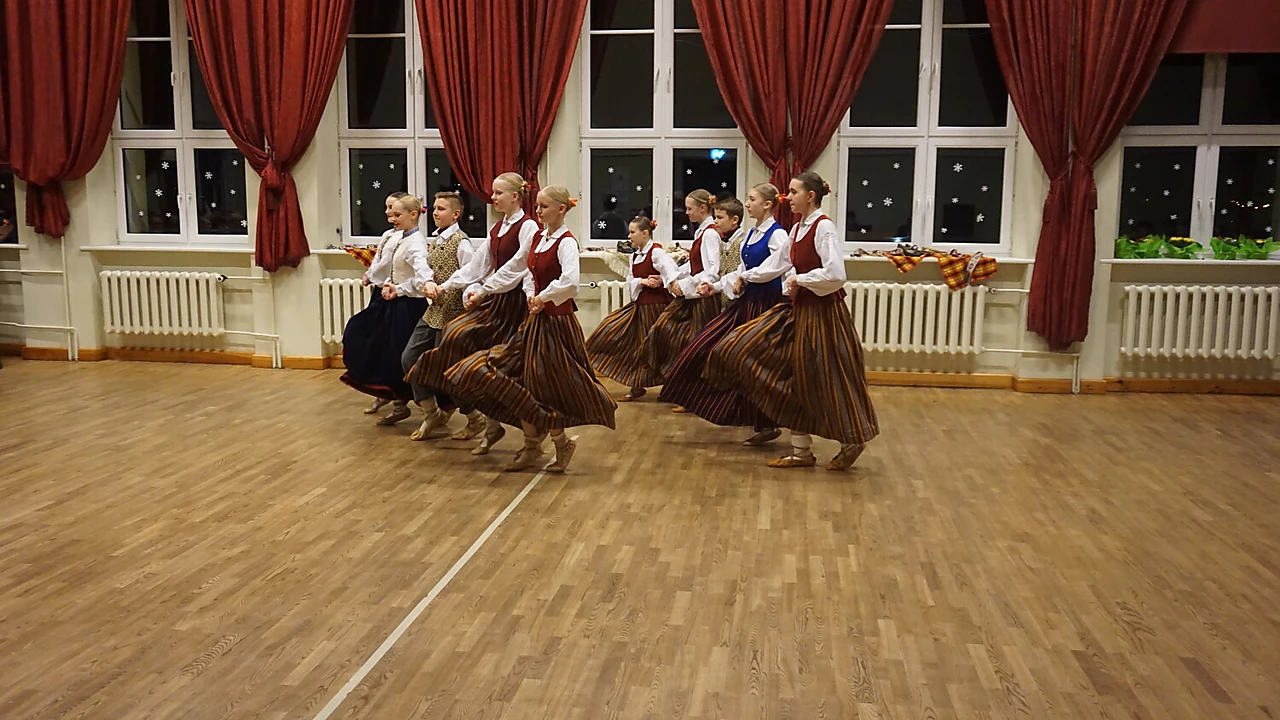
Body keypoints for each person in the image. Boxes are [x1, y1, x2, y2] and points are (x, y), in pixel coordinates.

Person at [706, 171, 879, 470]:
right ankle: (801, 451)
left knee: (828, 377)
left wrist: (801, 279)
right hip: (799, 311)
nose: (788, 197)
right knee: (765, 362)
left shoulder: (824, 227)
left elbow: (836, 274)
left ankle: (851, 439)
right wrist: (748, 277)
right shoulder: (797, 228)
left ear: (810, 196)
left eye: (794, 192)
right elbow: (779, 263)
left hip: (825, 315)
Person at [446, 185, 617, 474]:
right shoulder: (538, 237)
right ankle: (535, 443)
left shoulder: (566, 242)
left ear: (561, 209)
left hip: (557, 326)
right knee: (512, 377)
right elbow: (521, 269)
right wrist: (516, 294)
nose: (538, 211)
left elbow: (570, 282)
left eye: (544, 206)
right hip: (535, 320)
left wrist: (544, 297)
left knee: (545, 387)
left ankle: (550, 444)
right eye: (537, 205)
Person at [405, 172, 540, 455]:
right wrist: (448, 286)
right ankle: (490, 425)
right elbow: (478, 266)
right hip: (496, 302)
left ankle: (533, 438)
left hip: (514, 305)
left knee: (510, 372)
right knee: (475, 363)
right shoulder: (498, 227)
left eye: (498, 193)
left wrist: (484, 290)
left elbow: (518, 267)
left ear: (515, 196)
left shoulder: (527, 226)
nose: (493, 198)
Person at [660, 187, 786, 445]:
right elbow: (740, 269)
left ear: (767, 204)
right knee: (706, 346)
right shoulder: (752, 233)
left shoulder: (778, 234)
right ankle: (700, 398)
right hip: (747, 303)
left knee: (753, 362)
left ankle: (768, 423)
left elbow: (778, 267)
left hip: (767, 305)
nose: (747, 203)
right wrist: (715, 287)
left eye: (752, 199)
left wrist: (745, 277)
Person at [400, 191, 487, 441]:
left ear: (455, 214)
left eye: (441, 209)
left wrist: (470, 302)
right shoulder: (435, 240)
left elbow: (473, 277)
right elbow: (426, 272)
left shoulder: (462, 243)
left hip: (454, 315)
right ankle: (431, 412)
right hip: (434, 311)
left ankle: (475, 418)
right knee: (410, 358)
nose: (435, 213)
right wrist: (424, 284)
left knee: (449, 369)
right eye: (434, 208)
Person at [340, 194, 434, 424]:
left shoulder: (416, 243)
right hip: (392, 301)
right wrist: (377, 279)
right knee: (365, 339)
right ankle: (396, 401)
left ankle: (426, 408)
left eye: (397, 213)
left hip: (407, 307)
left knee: (400, 356)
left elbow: (422, 273)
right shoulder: (398, 236)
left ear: (413, 215)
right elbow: (387, 264)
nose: (391, 216)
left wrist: (416, 285)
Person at [584, 214, 680, 401]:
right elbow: (630, 280)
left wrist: (662, 281)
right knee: (615, 331)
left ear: (645, 233)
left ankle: (670, 387)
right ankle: (637, 384)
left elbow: (672, 271)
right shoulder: (635, 256)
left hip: (657, 307)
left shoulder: (656, 252)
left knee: (657, 346)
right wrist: (642, 281)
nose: (629, 236)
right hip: (640, 306)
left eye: (632, 232)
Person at [644, 188, 722, 410]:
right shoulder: (701, 233)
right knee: (664, 331)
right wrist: (668, 279)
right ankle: (678, 387)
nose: (686, 213)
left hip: (702, 298)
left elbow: (712, 271)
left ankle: (695, 396)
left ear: (703, 208)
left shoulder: (710, 234)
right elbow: (693, 265)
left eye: (689, 209)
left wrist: (686, 287)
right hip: (692, 296)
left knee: (695, 345)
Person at [360, 191, 409, 418]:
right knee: (376, 344)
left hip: (396, 294)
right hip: (381, 292)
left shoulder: (406, 238)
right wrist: (369, 275)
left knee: (393, 348)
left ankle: (399, 399)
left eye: (393, 209)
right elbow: (379, 261)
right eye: (387, 208)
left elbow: (392, 265)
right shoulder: (388, 235)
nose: (388, 212)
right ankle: (382, 392)